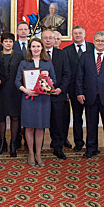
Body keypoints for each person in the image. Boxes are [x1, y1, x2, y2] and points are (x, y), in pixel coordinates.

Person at [76, 31, 104, 163]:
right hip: (90, 96)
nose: (100, 43)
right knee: (91, 124)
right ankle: (91, 149)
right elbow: (79, 76)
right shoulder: (85, 55)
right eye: (98, 40)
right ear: (93, 41)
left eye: (103, 41)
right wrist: (79, 92)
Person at [15, 38, 56, 167]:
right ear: (30, 49)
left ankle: (38, 153)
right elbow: (17, 81)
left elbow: (54, 80)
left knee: (40, 127)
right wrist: (25, 90)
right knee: (29, 126)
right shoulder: (24, 63)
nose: (36, 49)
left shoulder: (48, 63)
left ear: (42, 48)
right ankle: (31, 153)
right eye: (33, 46)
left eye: (38, 46)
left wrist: (48, 78)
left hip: (43, 100)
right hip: (28, 99)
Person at [63, 26, 94, 152]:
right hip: (74, 90)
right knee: (77, 118)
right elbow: (66, 72)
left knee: (92, 119)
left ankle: (92, 144)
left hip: (92, 90)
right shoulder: (66, 51)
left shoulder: (93, 48)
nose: (77, 35)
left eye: (80, 33)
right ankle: (79, 143)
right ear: (72, 35)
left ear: (84, 34)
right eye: (75, 33)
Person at [41, 30, 71, 160]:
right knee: (40, 123)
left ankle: (58, 148)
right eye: (45, 38)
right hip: (41, 96)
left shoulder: (62, 54)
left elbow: (67, 74)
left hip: (58, 95)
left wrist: (60, 89)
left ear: (54, 40)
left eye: (50, 38)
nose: (48, 40)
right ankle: (37, 149)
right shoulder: (36, 53)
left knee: (58, 123)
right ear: (41, 39)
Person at [0, 32, 24, 157]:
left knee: (14, 117)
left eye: (10, 41)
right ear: (2, 42)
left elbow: (23, 75)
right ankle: (2, 143)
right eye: (6, 41)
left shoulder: (19, 56)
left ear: (13, 43)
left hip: (15, 91)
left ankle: (13, 144)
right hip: (0, 91)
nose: (8, 43)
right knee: (1, 118)